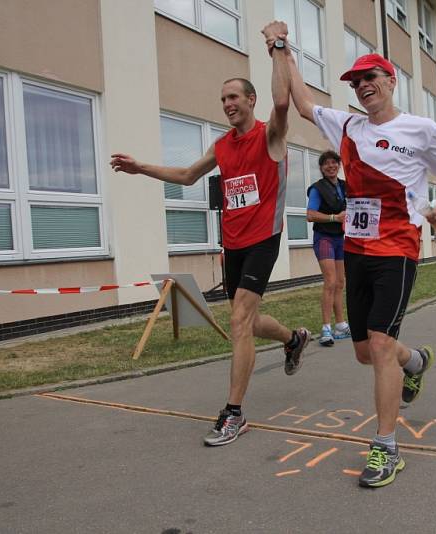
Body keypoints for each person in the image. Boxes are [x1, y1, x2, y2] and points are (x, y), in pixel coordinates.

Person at [276, 35, 436, 487]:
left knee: (380, 345)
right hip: (356, 250)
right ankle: (417, 362)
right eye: (356, 81)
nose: (363, 85)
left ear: (390, 81)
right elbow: (304, 103)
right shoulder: (347, 128)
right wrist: (284, 52)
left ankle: (386, 447)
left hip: (398, 249)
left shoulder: (422, 130)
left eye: (370, 78)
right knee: (366, 353)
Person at [110, 21, 309, 447]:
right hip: (233, 244)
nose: (227, 104)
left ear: (249, 100)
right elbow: (184, 175)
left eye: (233, 97)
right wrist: (140, 167)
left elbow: (281, 100)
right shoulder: (222, 146)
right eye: (222, 99)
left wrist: (277, 46)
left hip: (263, 240)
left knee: (238, 320)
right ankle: (294, 338)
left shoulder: (269, 136)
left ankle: (233, 413)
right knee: (249, 322)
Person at [306, 150, 351, 346]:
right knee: (330, 281)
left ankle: (340, 325)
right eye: (326, 164)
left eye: (334, 163)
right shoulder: (317, 188)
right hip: (324, 238)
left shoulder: (344, 186)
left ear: (339, 165)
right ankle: (326, 328)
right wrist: (334, 217)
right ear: (321, 168)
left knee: (340, 282)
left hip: (340, 238)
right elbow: (310, 214)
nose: (331, 166)